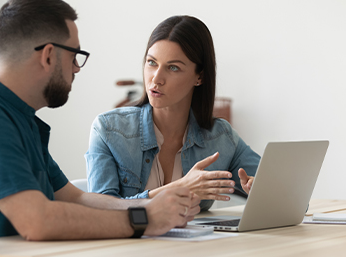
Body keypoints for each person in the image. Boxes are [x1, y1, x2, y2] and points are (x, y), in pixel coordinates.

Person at [0, 0, 201, 242]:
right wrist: (146, 219)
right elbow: (37, 221)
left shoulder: (18, 117)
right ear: (49, 55)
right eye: (74, 55)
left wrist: (153, 207)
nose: (76, 67)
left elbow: (77, 198)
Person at [85, 15, 261, 211]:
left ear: (199, 77)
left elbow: (290, 197)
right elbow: (100, 209)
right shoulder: (108, 130)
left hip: (195, 242)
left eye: (173, 67)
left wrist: (261, 190)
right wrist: (179, 188)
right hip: (130, 242)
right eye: (151, 63)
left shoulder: (220, 137)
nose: (156, 78)